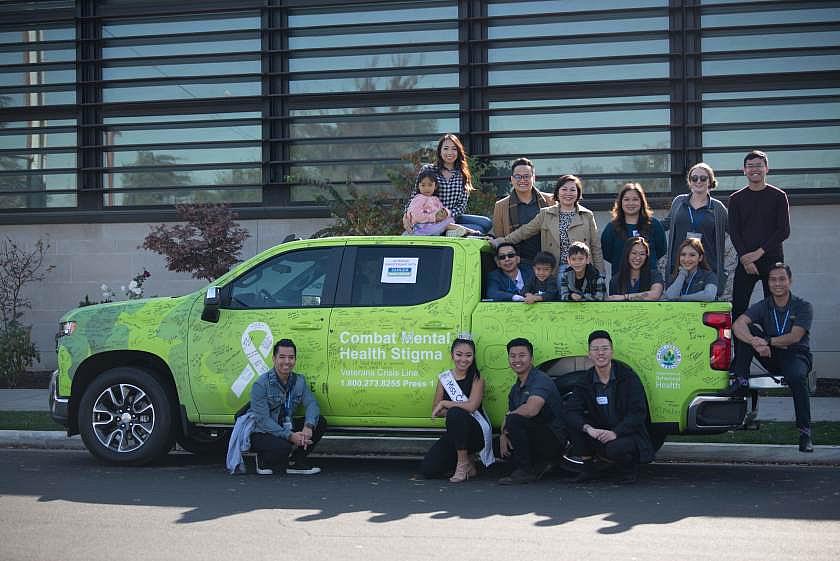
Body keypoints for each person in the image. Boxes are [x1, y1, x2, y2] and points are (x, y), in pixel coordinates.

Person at [731, 263, 814, 452]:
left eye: (782, 279)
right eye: (773, 280)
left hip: (796, 355)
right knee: (746, 331)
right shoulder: (764, 305)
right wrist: (755, 341)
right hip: (770, 354)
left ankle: (805, 433)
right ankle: (741, 380)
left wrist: (766, 341)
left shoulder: (803, 306)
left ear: (790, 281)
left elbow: (794, 337)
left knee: (796, 378)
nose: (778, 284)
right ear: (768, 283)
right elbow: (738, 325)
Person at [561, 330, 654, 483]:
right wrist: (589, 429)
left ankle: (628, 471)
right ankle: (588, 469)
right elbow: (571, 410)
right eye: (595, 349)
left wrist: (615, 433)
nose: (600, 353)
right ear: (589, 354)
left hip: (625, 434)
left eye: (605, 348)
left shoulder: (628, 377)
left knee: (615, 448)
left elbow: (638, 413)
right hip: (598, 432)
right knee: (573, 422)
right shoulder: (585, 380)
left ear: (612, 352)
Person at [419, 334, 495, 482]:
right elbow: (437, 410)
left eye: (468, 355)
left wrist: (446, 403)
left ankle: (462, 464)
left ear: (473, 357)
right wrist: (451, 411)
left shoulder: (477, 378)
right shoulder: (445, 378)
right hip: (458, 432)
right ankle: (469, 461)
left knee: (455, 413)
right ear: (452, 355)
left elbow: (472, 406)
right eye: (459, 354)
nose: (463, 359)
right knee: (428, 470)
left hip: (476, 434)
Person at [491, 174, 604, 273]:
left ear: (578, 193)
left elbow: (595, 247)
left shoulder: (587, 215)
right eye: (564, 189)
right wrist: (502, 241)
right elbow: (524, 232)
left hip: (583, 270)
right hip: (555, 269)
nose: (568, 193)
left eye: (572, 190)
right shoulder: (546, 214)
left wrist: (600, 274)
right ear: (557, 192)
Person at [249, 339, 327, 475]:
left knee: (319, 422)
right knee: (283, 447)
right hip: (264, 432)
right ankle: (263, 460)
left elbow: (311, 404)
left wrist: (308, 426)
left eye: (291, 358)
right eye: (282, 357)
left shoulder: (299, 381)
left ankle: (297, 462)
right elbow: (262, 421)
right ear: (274, 359)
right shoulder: (261, 384)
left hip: (286, 426)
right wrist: (290, 436)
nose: (287, 362)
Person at [728, 150, 790, 319]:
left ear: (767, 169)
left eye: (759, 165)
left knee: (775, 307)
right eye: (750, 166)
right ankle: (740, 345)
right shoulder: (736, 199)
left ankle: (774, 345)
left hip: (772, 260)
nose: (755, 169)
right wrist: (745, 258)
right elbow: (734, 231)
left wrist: (758, 253)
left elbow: (783, 231)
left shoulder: (779, 196)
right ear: (744, 170)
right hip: (746, 262)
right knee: (738, 308)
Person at [498, 338, 567, 485]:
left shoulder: (540, 380)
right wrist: (503, 435)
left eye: (522, 355)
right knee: (497, 448)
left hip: (553, 439)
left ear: (531, 358)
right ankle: (539, 465)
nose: (517, 360)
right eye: (512, 356)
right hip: (536, 437)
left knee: (514, 420)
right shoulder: (515, 389)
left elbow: (531, 410)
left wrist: (507, 421)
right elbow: (511, 412)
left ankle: (526, 471)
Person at [663, 162, 730, 297]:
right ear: (690, 181)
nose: (698, 181)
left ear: (710, 181)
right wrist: (641, 223)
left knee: (705, 307)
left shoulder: (718, 208)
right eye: (694, 178)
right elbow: (665, 224)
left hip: (707, 268)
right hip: (679, 265)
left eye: (703, 178)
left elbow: (735, 231)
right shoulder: (679, 202)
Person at [406, 133, 492, 234]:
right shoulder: (428, 169)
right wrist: (406, 218)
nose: (450, 152)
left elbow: (461, 205)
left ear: (459, 152)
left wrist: (447, 214)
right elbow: (414, 196)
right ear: (440, 151)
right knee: (478, 228)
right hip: (430, 217)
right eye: (446, 148)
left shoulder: (462, 174)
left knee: (486, 223)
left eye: (454, 149)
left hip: (451, 216)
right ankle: (448, 232)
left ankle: (449, 230)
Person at [491, 157, 554, 263]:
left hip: (548, 262)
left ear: (534, 178)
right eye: (518, 176)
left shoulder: (550, 201)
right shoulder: (501, 206)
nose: (522, 180)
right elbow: (500, 238)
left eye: (526, 176)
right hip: (518, 264)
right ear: (511, 179)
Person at [600, 182, 666, 274]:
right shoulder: (612, 227)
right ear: (620, 202)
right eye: (626, 199)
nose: (631, 203)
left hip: (649, 278)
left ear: (641, 202)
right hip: (621, 279)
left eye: (635, 199)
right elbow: (606, 253)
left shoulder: (654, 224)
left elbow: (661, 249)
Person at [403, 169, 474, 236]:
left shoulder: (436, 199)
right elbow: (416, 215)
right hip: (421, 227)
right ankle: (470, 232)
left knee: (448, 221)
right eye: (423, 185)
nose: (426, 188)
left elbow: (441, 209)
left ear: (435, 186)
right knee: (446, 225)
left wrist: (445, 213)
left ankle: (452, 233)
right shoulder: (418, 199)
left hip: (434, 224)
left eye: (430, 185)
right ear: (418, 186)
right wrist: (434, 217)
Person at [607, 237, 664, 301]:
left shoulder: (655, 275)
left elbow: (655, 295)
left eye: (642, 254)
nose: (637, 257)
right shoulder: (615, 280)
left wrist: (625, 297)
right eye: (634, 253)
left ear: (646, 257)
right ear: (627, 254)